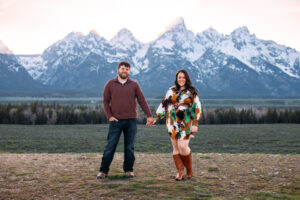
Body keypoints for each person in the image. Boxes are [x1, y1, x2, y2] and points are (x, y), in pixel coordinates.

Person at [97, 61, 154, 179]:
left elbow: (142, 100)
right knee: (110, 146)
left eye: (127, 69)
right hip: (115, 121)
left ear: (129, 71)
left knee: (129, 147)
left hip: (131, 121)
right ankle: (103, 171)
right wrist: (110, 116)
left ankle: (128, 170)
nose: (124, 71)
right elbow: (105, 101)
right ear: (118, 70)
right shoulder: (110, 84)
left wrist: (149, 116)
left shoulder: (134, 84)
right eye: (122, 69)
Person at [153, 69, 202, 181]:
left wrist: (195, 123)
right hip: (172, 122)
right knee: (175, 147)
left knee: (183, 146)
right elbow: (164, 104)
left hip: (186, 122)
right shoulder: (170, 90)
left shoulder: (192, 91)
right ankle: (180, 172)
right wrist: (156, 117)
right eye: (179, 77)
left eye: (183, 77)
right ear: (176, 79)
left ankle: (189, 169)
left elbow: (197, 107)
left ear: (187, 79)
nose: (181, 79)